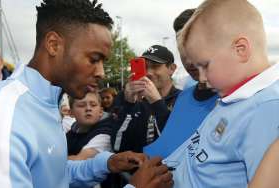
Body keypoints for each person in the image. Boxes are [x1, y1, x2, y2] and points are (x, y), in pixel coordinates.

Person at [0, 1, 174, 188]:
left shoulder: (43, 103)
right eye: (94, 59)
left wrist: (107, 164)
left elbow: (49, 174)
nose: (102, 73)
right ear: (53, 45)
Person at [164, 0, 279, 187]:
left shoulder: (266, 109)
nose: (200, 79)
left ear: (240, 50)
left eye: (205, 65)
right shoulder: (231, 97)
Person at [144, 8, 218, 158]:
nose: (188, 59)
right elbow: (172, 147)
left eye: (194, 46)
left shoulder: (241, 100)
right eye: (181, 49)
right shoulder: (184, 98)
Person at [112, 45, 181, 153]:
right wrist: (128, 106)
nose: (148, 72)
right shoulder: (132, 100)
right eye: (145, 67)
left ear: (171, 69)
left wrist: (157, 103)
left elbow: (178, 146)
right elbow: (117, 147)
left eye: (155, 66)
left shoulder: (183, 100)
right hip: (137, 168)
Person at [67, 92, 112, 161]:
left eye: (93, 105)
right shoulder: (71, 133)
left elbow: (79, 160)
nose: (88, 108)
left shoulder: (105, 133)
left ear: (101, 111)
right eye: (81, 105)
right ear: (71, 113)